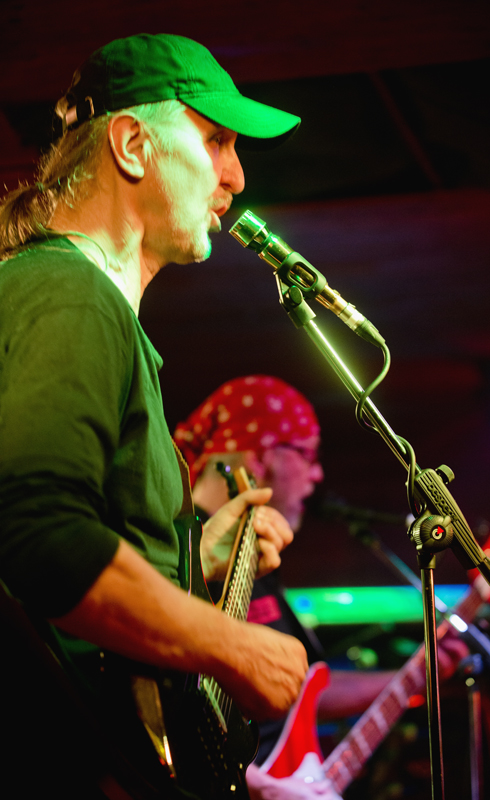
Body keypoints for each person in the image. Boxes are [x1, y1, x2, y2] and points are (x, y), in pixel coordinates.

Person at [0, 34, 309, 799]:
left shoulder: (91, 309)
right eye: (216, 140)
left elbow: (81, 552)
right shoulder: (71, 294)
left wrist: (197, 558)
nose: (236, 175)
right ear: (132, 144)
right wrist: (230, 645)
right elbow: (36, 531)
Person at [175, 374, 469, 800]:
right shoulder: (179, 545)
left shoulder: (254, 547)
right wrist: (258, 785)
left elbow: (305, 689)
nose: (317, 475)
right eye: (307, 454)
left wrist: (414, 675)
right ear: (261, 454)